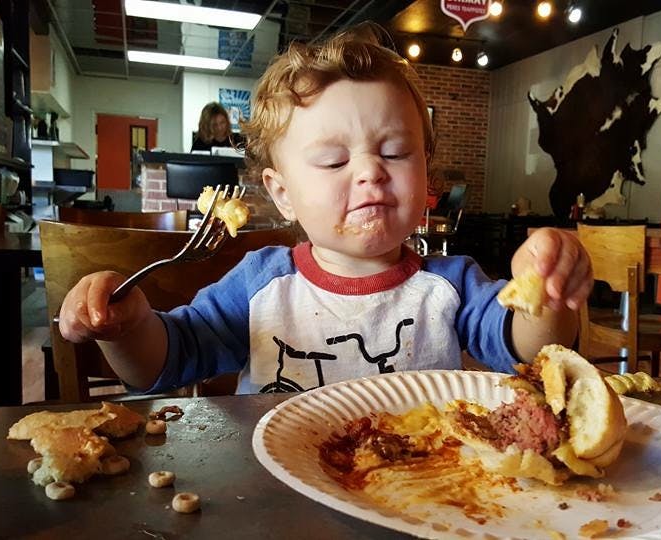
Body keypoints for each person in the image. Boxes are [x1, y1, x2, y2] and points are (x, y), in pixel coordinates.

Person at [57, 25, 593, 395]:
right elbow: (165, 362)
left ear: (426, 173)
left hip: (424, 495)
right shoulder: (259, 286)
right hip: (277, 503)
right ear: (282, 191)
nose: (369, 172)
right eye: (334, 160)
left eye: (394, 152)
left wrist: (548, 292)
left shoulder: (452, 286)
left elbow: (528, 353)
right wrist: (127, 329)